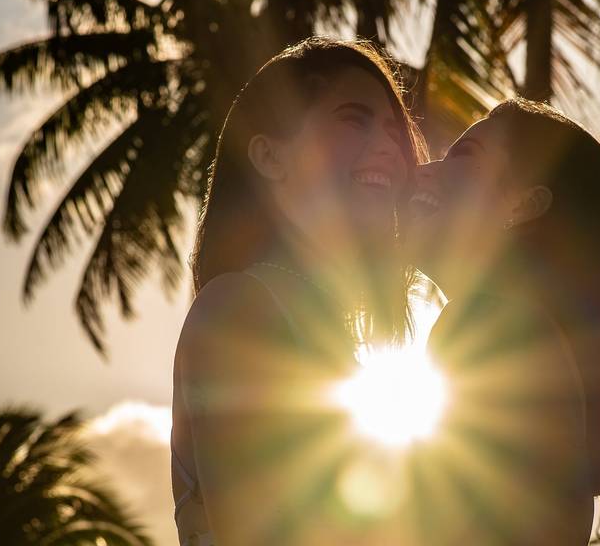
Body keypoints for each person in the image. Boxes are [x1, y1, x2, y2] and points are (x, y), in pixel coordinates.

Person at [171, 37, 427, 545]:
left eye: (395, 129)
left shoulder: (328, 327)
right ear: (270, 155)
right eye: (355, 119)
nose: (389, 146)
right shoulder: (241, 307)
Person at [406, 98, 600, 544]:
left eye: (463, 156)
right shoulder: (530, 335)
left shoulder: (492, 321)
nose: (426, 168)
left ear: (524, 204)